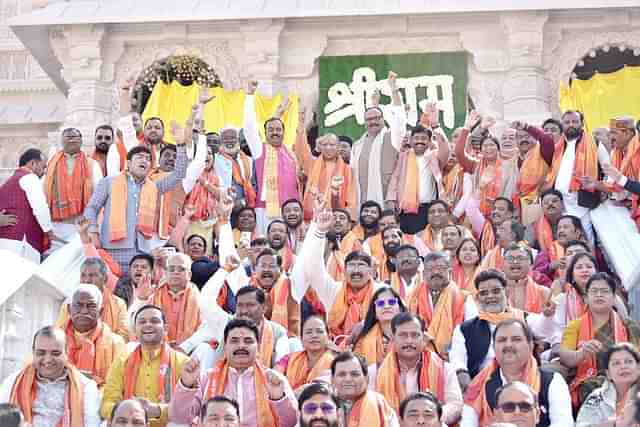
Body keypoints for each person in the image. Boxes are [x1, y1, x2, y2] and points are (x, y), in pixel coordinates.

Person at [84, 125, 188, 275]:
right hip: (114, 250)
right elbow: (91, 208)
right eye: (140, 157)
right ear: (128, 162)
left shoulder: (154, 187)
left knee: (138, 293)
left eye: (148, 159)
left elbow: (179, 174)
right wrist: (93, 232)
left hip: (143, 252)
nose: (144, 161)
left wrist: (181, 145)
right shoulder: (109, 182)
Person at [169, 318, 298, 427]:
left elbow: (291, 422)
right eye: (234, 341)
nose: (241, 346)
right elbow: (179, 418)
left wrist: (279, 398)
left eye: (248, 341)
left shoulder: (273, 380)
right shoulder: (206, 378)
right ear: (225, 347)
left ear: (258, 347)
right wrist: (186, 385)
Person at [450, 270, 556, 393]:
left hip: (524, 382)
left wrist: (547, 315)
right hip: (481, 385)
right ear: (478, 298)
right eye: (484, 293)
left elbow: (544, 330)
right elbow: (458, 361)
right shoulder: (464, 329)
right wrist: (469, 388)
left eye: (496, 291)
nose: (490, 296)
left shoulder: (524, 318)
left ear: (506, 292)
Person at [293, 207, 387, 339]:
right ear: (344, 270)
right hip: (336, 347)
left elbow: (392, 314)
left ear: (371, 270)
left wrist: (365, 324)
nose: (356, 271)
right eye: (351, 266)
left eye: (361, 266)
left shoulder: (381, 292)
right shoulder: (333, 291)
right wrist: (319, 232)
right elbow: (313, 268)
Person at [461, 319, 573, 427]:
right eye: (502, 340)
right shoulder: (478, 386)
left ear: (530, 345)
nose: (508, 345)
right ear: (494, 347)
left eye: (516, 339)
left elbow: (563, 424)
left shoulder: (552, 381)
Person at [100, 305, 190, 427]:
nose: (148, 325)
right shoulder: (122, 361)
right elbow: (107, 404)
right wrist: (132, 411)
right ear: (135, 331)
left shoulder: (183, 363)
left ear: (166, 329)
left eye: (154, 321)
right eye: (142, 322)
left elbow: (188, 408)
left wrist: (158, 410)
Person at [559, 272, 640, 406]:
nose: (599, 295)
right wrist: (581, 353)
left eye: (604, 291)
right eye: (594, 291)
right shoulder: (575, 326)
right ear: (586, 297)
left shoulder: (628, 325)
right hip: (592, 380)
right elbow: (565, 357)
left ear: (614, 297)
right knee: (594, 387)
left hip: (626, 376)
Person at [371, 312, 463, 425]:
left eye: (415, 335)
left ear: (423, 338)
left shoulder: (445, 369)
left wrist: (430, 418)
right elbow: (372, 407)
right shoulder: (375, 371)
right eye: (403, 335)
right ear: (393, 338)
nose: (409, 341)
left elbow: (455, 404)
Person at [0, 326, 101, 426]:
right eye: (41, 353)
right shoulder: (13, 382)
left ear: (67, 352)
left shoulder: (86, 387)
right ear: (33, 352)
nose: (48, 360)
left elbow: (92, 424)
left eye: (55, 353)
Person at [243, 80, 300, 233]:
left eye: (278, 129)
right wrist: (249, 96)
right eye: (271, 130)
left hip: (291, 212)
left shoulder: (290, 154)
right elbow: (249, 128)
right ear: (266, 133)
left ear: (283, 132)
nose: (275, 132)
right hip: (266, 210)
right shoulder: (260, 150)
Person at [386, 113, 450, 235]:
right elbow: (395, 178)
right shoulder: (403, 156)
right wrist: (390, 200)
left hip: (430, 210)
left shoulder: (434, 157)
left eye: (423, 138)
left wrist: (436, 126)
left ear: (429, 141)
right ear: (411, 140)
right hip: (406, 210)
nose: (419, 141)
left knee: (428, 243)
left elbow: (446, 149)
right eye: (416, 138)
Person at [544, 110, 602, 244]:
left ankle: (587, 263)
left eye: (575, 122)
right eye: (567, 122)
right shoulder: (558, 145)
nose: (571, 125)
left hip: (582, 200)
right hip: (561, 202)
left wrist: (602, 187)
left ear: (581, 124)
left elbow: (606, 167)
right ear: (562, 125)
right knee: (563, 239)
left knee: (586, 237)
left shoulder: (594, 142)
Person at [406, 251, 477, 358]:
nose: (435, 272)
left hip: (454, 358)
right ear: (424, 274)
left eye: (440, 268)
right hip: (419, 357)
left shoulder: (465, 298)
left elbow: (472, 333)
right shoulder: (412, 298)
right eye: (430, 269)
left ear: (450, 272)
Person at [350, 71, 405, 208]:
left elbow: (399, 117)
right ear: (364, 123)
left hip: (387, 203)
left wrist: (394, 89)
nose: (373, 121)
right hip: (362, 206)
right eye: (369, 119)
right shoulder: (357, 145)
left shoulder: (391, 137)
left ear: (383, 119)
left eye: (377, 118)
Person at [45, 127, 103, 250]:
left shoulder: (92, 164)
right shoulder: (51, 164)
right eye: (68, 137)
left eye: (75, 137)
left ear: (81, 141)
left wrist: (95, 226)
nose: (71, 139)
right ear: (61, 141)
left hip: (82, 224)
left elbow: (99, 194)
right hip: (57, 224)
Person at [131, 253, 203, 347]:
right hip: (155, 346)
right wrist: (142, 299)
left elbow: (203, 330)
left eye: (181, 269)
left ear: (189, 275)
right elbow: (132, 324)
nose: (175, 272)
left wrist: (185, 347)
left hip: (189, 348)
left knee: (205, 349)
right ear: (166, 273)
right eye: (171, 269)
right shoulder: (153, 294)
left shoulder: (200, 298)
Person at [295, 111, 356, 222]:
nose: (328, 148)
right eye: (325, 144)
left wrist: (348, 218)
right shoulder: (312, 164)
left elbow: (351, 198)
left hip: (336, 217)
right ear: (320, 147)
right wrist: (301, 126)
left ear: (338, 147)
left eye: (332, 145)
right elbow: (301, 151)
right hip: (313, 216)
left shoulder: (347, 170)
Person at [61, 285, 126, 387]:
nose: (84, 311)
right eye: (79, 305)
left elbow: (117, 385)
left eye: (91, 306)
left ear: (100, 312)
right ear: (69, 309)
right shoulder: (55, 339)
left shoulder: (115, 343)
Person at [56, 255, 130, 341]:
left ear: (105, 279)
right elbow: (59, 332)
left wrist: (99, 346)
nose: (87, 280)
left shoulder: (118, 304)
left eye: (92, 275)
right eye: (83, 275)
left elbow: (124, 335)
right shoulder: (70, 303)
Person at [0, 148, 52, 263]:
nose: (44, 172)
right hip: (22, 242)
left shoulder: (9, 182)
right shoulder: (29, 177)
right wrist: (49, 230)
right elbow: (40, 208)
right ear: (33, 163)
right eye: (43, 167)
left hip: (5, 241)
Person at [576, 343, 640, 426]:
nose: (623, 366)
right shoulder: (597, 396)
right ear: (608, 373)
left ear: (638, 368)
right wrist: (615, 424)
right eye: (616, 363)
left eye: (628, 361)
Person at [331, 351, 399, 427]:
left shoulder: (372, 401)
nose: (348, 379)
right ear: (332, 380)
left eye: (355, 374)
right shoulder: (331, 403)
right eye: (342, 374)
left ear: (366, 378)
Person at [276, 315, 335, 392]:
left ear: (329, 337)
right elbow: (275, 375)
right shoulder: (290, 358)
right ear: (301, 338)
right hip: (291, 402)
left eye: (319, 331)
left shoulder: (336, 361)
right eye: (309, 332)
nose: (314, 336)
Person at [351, 286, 407, 365]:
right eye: (380, 303)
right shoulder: (362, 342)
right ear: (375, 313)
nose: (386, 306)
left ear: (400, 309)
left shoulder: (413, 334)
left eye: (391, 302)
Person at [532, 214, 585, 284]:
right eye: (559, 228)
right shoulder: (546, 253)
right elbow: (533, 275)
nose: (561, 230)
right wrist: (551, 267)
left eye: (565, 227)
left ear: (577, 233)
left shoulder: (586, 250)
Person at [214, 126, 256, 211]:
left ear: (238, 140)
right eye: (225, 138)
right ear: (220, 141)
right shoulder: (215, 160)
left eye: (233, 138)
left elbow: (254, 185)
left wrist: (243, 202)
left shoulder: (249, 160)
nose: (229, 141)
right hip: (222, 208)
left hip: (246, 207)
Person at [502, 244, 550, 314]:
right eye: (510, 258)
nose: (515, 262)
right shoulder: (495, 292)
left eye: (520, 258)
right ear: (502, 264)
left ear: (531, 265)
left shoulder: (543, 293)